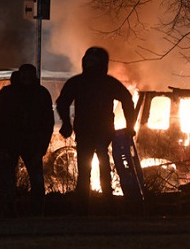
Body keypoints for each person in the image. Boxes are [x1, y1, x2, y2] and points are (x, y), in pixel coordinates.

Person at [56, 47, 135, 214]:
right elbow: (62, 102)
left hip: (99, 131)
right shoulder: (93, 82)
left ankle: (98, 205)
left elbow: (127, 100)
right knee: (90, 168)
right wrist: (66, 124)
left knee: (95, 167)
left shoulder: (89, 82)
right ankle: (96, 205)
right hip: (90, 131)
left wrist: (130, 126)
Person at [0, 64, 54, 216]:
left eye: (29, 76)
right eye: (24, 76)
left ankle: (34, 216)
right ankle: (10, 215)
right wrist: (0, 147)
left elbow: (48, 123)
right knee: (9, 183)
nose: (27, 79)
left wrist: (41, 148)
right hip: (9, 144)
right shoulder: (8, 94)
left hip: (30, 145)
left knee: (35, 182)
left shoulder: (40, 94)